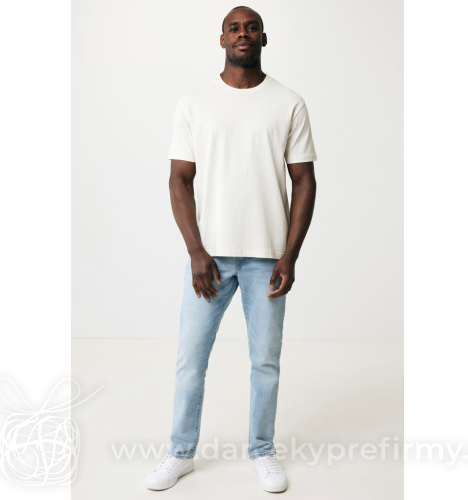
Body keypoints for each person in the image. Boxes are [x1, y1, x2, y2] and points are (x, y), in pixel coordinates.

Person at [146, 5, 317, 493]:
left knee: (265, 362)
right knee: (190, 359)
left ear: (264, 37)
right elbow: (179, 180)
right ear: (222, 39)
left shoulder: (289, 103)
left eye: (251, 27)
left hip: (268, 258)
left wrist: (290, 254)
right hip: (211, 259)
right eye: (234, 28)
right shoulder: (195, 102)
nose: (243, 33)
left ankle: (262, 451)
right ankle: (180, 453)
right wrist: (196, 251)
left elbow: (304, 181)